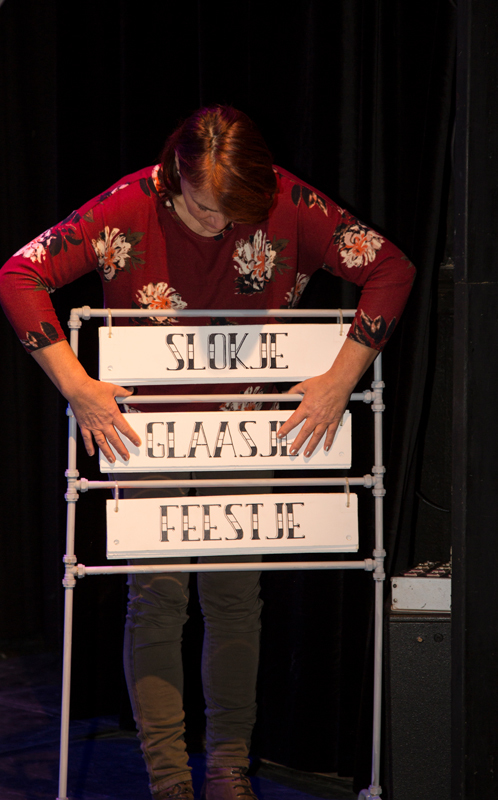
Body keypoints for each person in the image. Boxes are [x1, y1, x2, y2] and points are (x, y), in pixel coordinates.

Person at [0, 106, 414, 800]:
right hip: (146, 436)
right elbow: (20, 274)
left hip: (244, 433)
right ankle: (168, 779)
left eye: (233, 213)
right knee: (156, 600)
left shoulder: (285, 199)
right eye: (202, 207)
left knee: (234, 600)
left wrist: (340, 380)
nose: (219, 225)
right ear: (174, 176)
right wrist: (77, 386)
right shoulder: (128, 205)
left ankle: (227, 770)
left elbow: (391, 269)